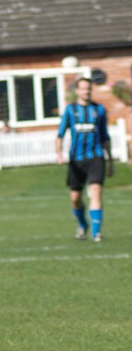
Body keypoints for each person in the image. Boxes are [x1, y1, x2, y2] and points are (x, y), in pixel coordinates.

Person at [56, 77, 112, 243]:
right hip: (76, 160)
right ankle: (82, 224)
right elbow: (59, 135)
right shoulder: (70, 110)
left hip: (96, 157)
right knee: (75, 198)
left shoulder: (99, 110)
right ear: (77, 91)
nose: (86, 91)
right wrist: (59, 154)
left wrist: (110, 161)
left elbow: (105, 137)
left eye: (89, 89)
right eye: (83, 89)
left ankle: (96, 232)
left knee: (95, 192)